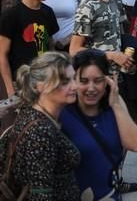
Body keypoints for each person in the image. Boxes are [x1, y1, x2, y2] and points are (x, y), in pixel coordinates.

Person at [60, 49, 137, 199]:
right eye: (84, 81)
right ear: (73, 81)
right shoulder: (63, 111)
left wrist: (116, 104)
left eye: (98, 81)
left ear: (107, 81)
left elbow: (134, 144)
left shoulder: (114, 104)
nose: (91, 88)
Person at [0, 52, 80, 198]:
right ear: (40, 86)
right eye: (64, 82)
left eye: (74, 78)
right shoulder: (40, 131)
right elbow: (40, 194)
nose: (75, 86)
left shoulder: (31, 112)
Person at [69, 0, 134, 75]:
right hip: (98, 74)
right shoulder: (88, 6)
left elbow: (122, 33)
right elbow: (74, 50)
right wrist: (112, 55)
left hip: (118, 73)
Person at [0, 0, 59, 97]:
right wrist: (10, 89)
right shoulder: (11, 15)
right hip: (21, 82)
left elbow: (50, 47)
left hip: (45, 81)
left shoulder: (48, 12)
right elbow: (2, 54)